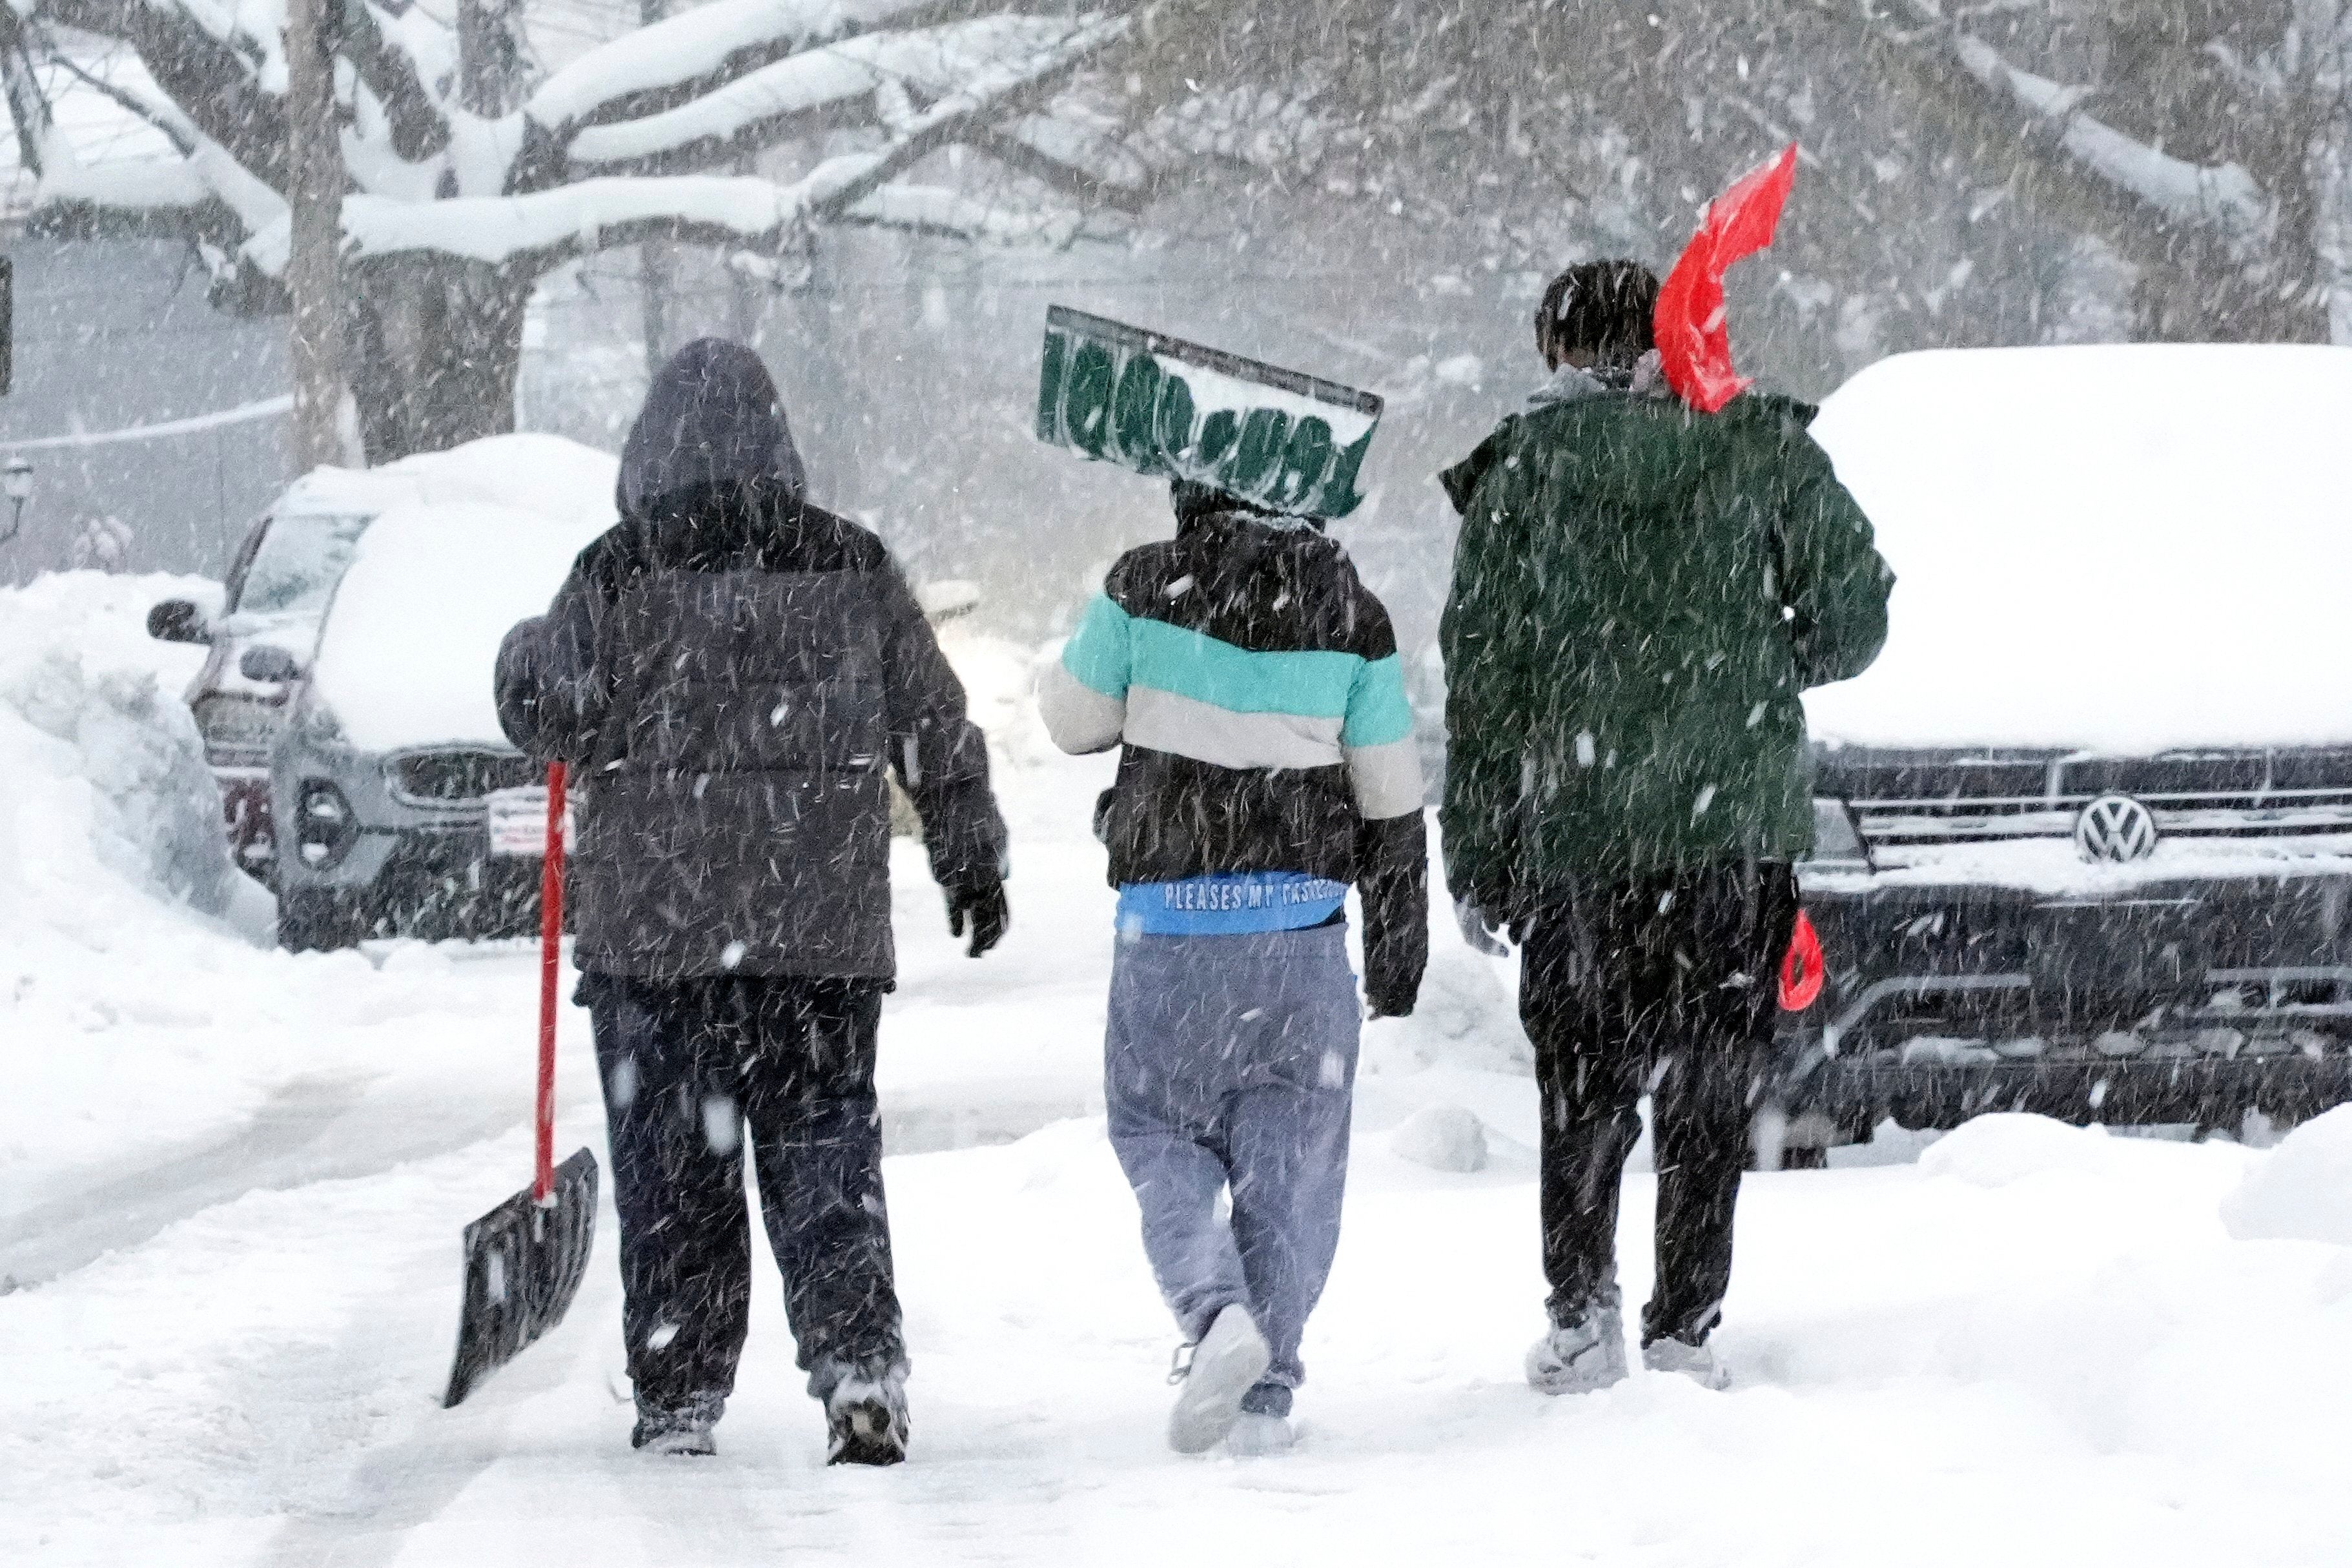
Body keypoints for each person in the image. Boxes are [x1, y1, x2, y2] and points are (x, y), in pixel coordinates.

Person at [495, 339, 1009, 1463]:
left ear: (647, 451)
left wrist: (522, 659)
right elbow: (933, 721)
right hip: (815, 942)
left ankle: (678, 1390)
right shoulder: (849, 563)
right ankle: (859, 1366)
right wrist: (970, 852)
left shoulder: (615, 570)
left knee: (674, 1179)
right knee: (828, 1156)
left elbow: (552, 712)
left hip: (657, 951)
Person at [1438, 261, 1892, 1394]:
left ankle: (1582, 1311)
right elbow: (1854, 613)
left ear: (1555, 350)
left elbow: (1484, 681)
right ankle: (1685, 1322)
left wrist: (1483, 850)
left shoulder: (1522, 472)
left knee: (1582, 1086)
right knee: (1709, 1079)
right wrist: (1761, 664)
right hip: (1730, 831)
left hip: (1578, 839)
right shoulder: (1756, 442)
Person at [1039, 478, 1428, 1456]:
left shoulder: (1143, 585)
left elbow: (1072, 719)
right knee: (1289, 1166)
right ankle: (1269, 1386)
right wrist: (1397, 945)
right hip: (1298, 945)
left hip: (1169, 940)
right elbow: (1390, 799)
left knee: (1158, 1133)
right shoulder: (1353, 613)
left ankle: (1217, 1315)